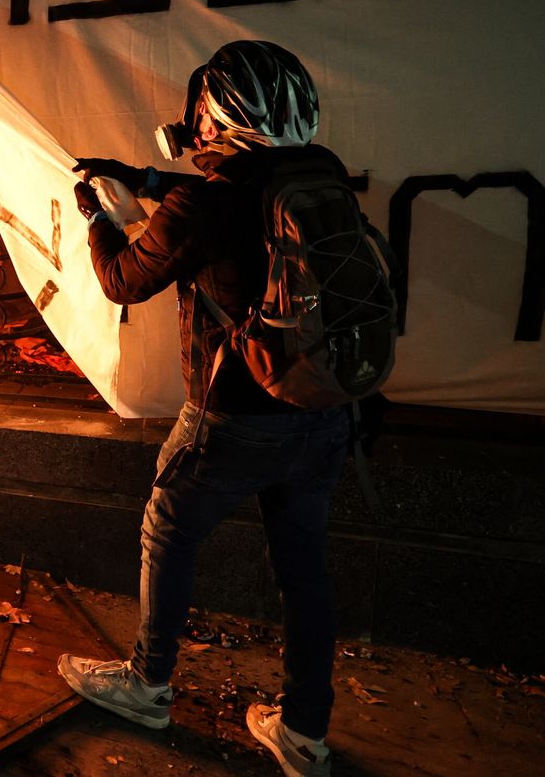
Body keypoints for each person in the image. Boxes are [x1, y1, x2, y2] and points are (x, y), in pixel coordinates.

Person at [57, 40, 350, 777]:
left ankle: (149, 684)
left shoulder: (200, 203)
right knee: (304, 570)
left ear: (218, 117)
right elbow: (229, 196)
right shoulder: (324, 181)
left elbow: (124, 281)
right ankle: (304, 733)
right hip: (323, 413)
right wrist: (148, 179)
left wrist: (103, 217)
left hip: (233, 416)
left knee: (167, 526)